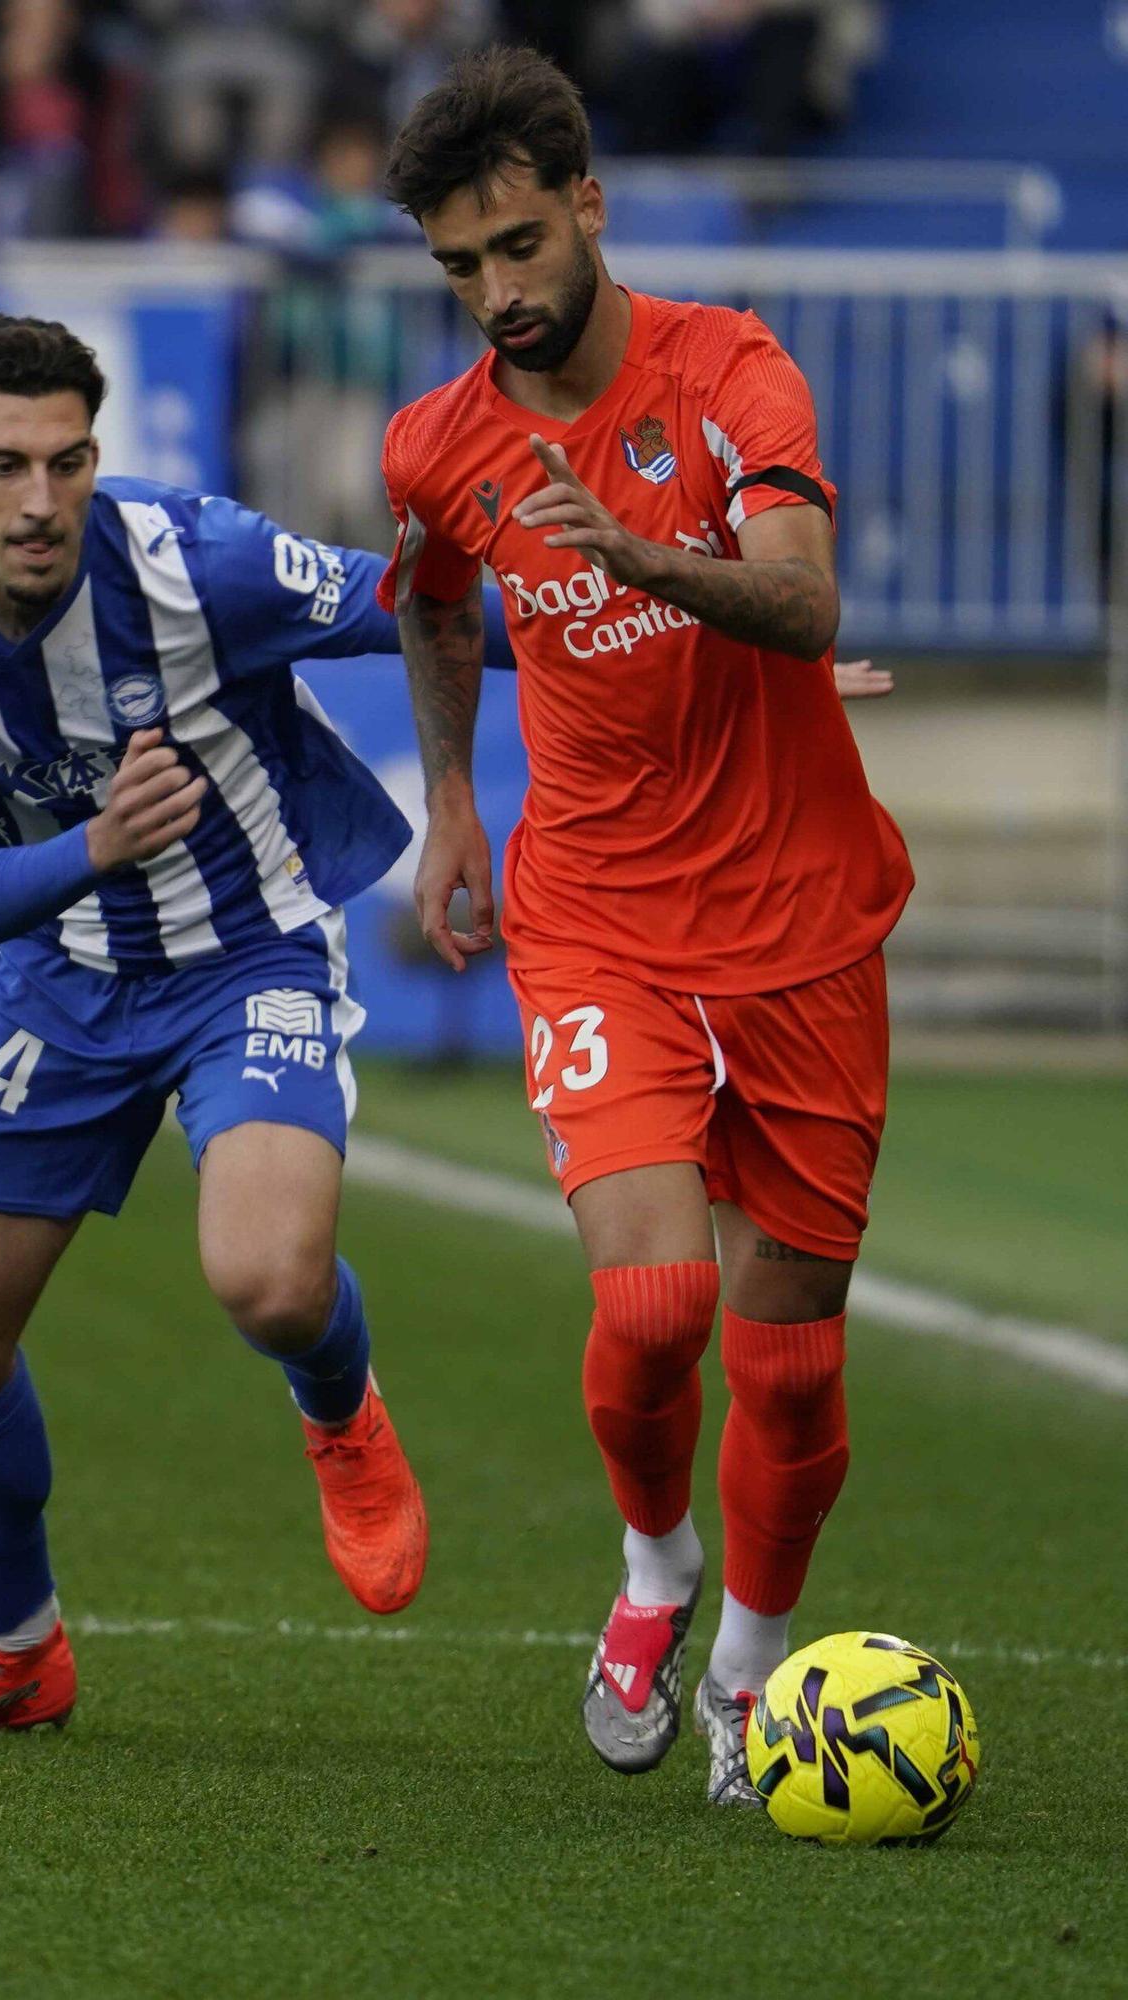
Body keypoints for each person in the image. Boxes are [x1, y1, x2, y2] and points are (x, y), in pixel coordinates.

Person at [0, 311, 515, 1736]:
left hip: (246, 953)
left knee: (268, 1281)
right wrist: (97, 847)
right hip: (56, 977)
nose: (41, 501)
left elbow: (430, 602)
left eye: (70, 462)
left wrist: (715, 665)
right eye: (4, 466)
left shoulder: (199, 562)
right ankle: (14, 1655)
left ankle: (340, 1405)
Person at [377, 47, 913, 1807]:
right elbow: (440, 604)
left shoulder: (731, 369)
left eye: (520, 246)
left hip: (802, 915)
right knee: (663, 1296)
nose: (499, 294)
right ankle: (654, 1568)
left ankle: (751, 1663)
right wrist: (454, 799)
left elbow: (807, 594)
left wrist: (638, 558)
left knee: (792, 1353)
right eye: (462, 267)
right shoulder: (439, 444)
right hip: (597, 911)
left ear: (588, 203)